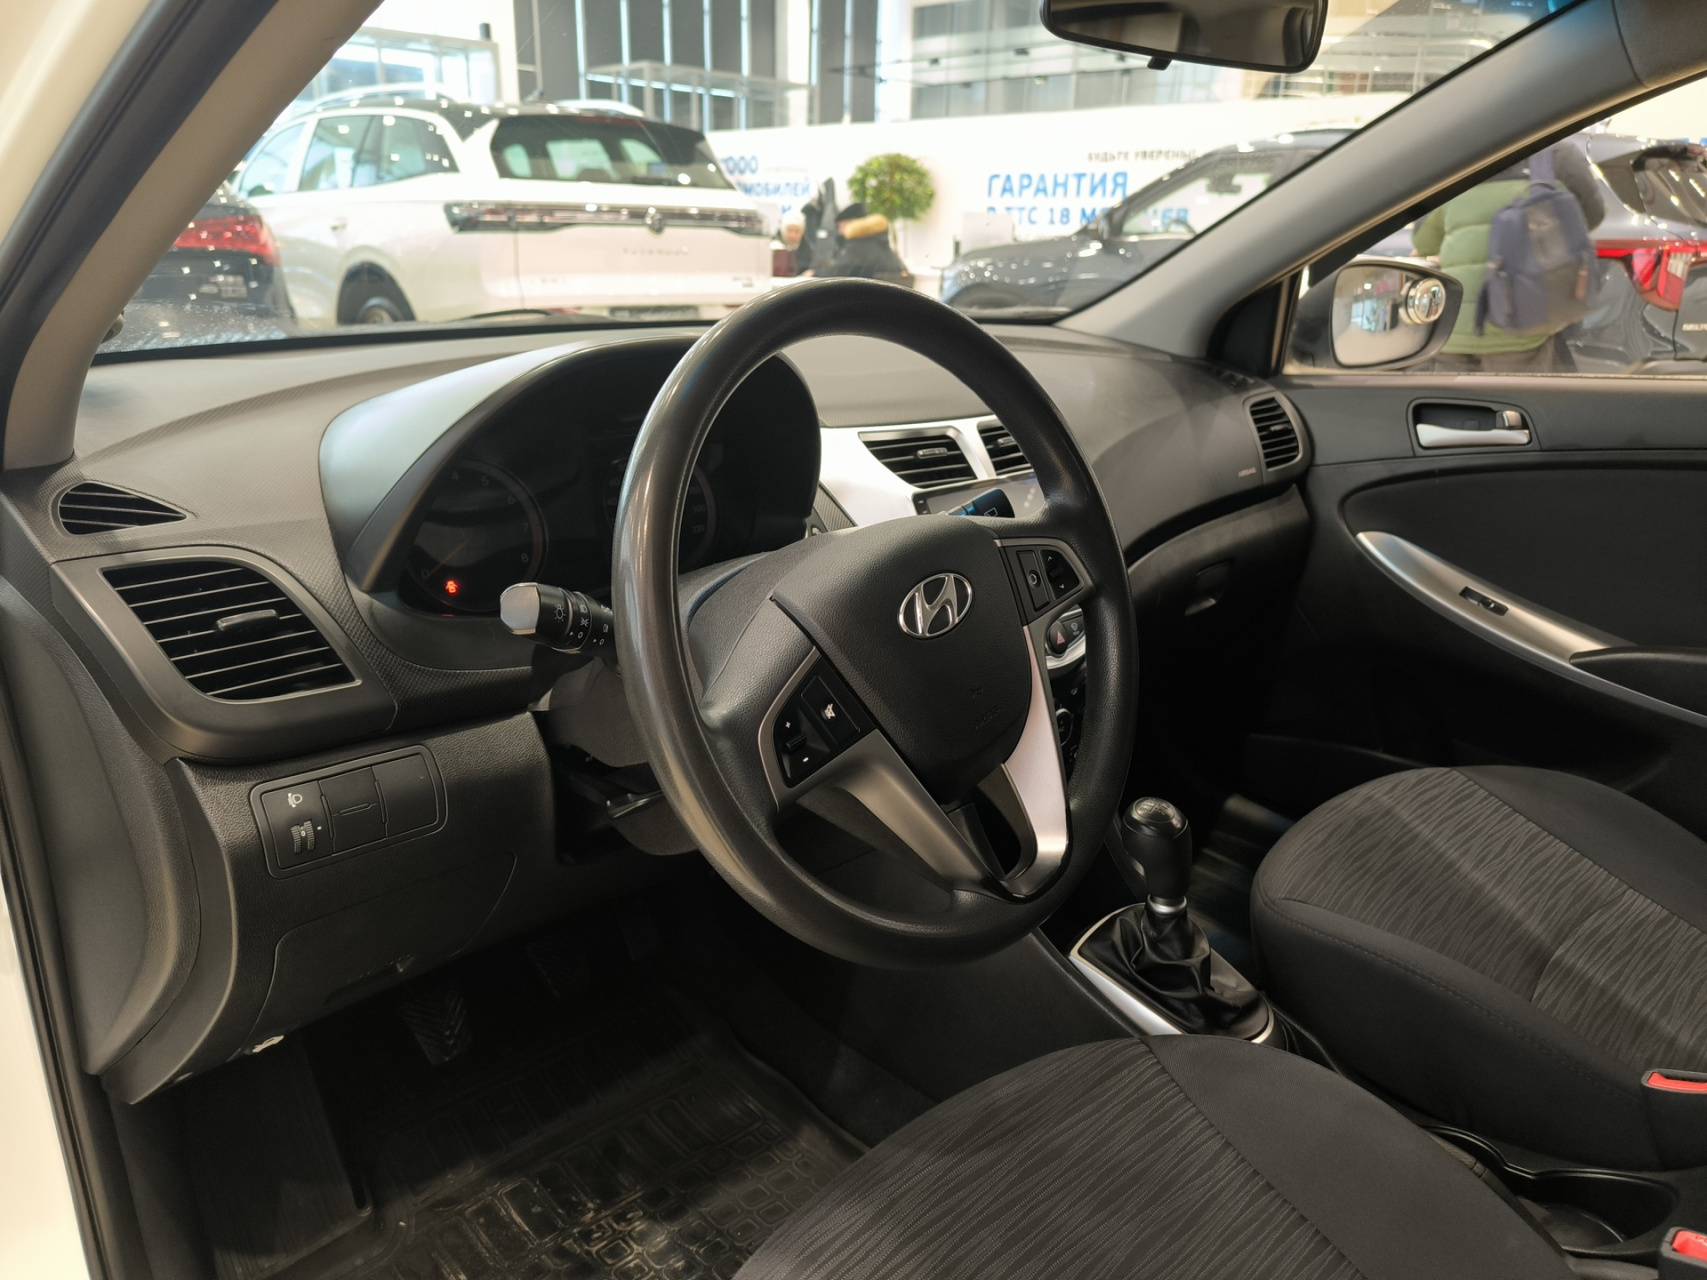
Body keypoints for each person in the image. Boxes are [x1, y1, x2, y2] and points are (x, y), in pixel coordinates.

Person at [1412, 138, 1605, 371]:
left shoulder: (1453, 161)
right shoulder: (1559, 155)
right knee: (1521, 394)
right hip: (1524, 324)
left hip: (1453, 333)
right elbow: (1591, 216)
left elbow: (1424, 241)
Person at [815, 202, 909, 282]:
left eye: (840, 226)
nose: (839, 232)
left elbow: (839, 272)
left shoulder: (857, 246)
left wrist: (815, 273)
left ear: (851, 223)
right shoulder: (882, 244)